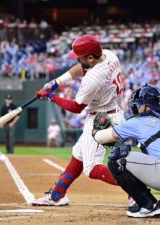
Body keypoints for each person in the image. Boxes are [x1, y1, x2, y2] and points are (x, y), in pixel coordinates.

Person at [32, 34, 125, 206]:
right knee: (78, 154)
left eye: (80, 57)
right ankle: (57, 194)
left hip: (102, 120)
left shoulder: (93, 78)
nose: (77, 60)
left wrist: (51, 96)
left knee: (91, 168)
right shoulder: (108, 55)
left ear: (90, 57)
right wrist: (57, 82)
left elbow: (76, 107)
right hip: (111, 112)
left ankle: (136, 190)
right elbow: (82, 68)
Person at [93, 84, 160, 218]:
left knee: (117, 158)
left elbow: (101, 138)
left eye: (138, 104)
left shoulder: (139, 121)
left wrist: (96, 130)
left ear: (145, 106)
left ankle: (148, 205)